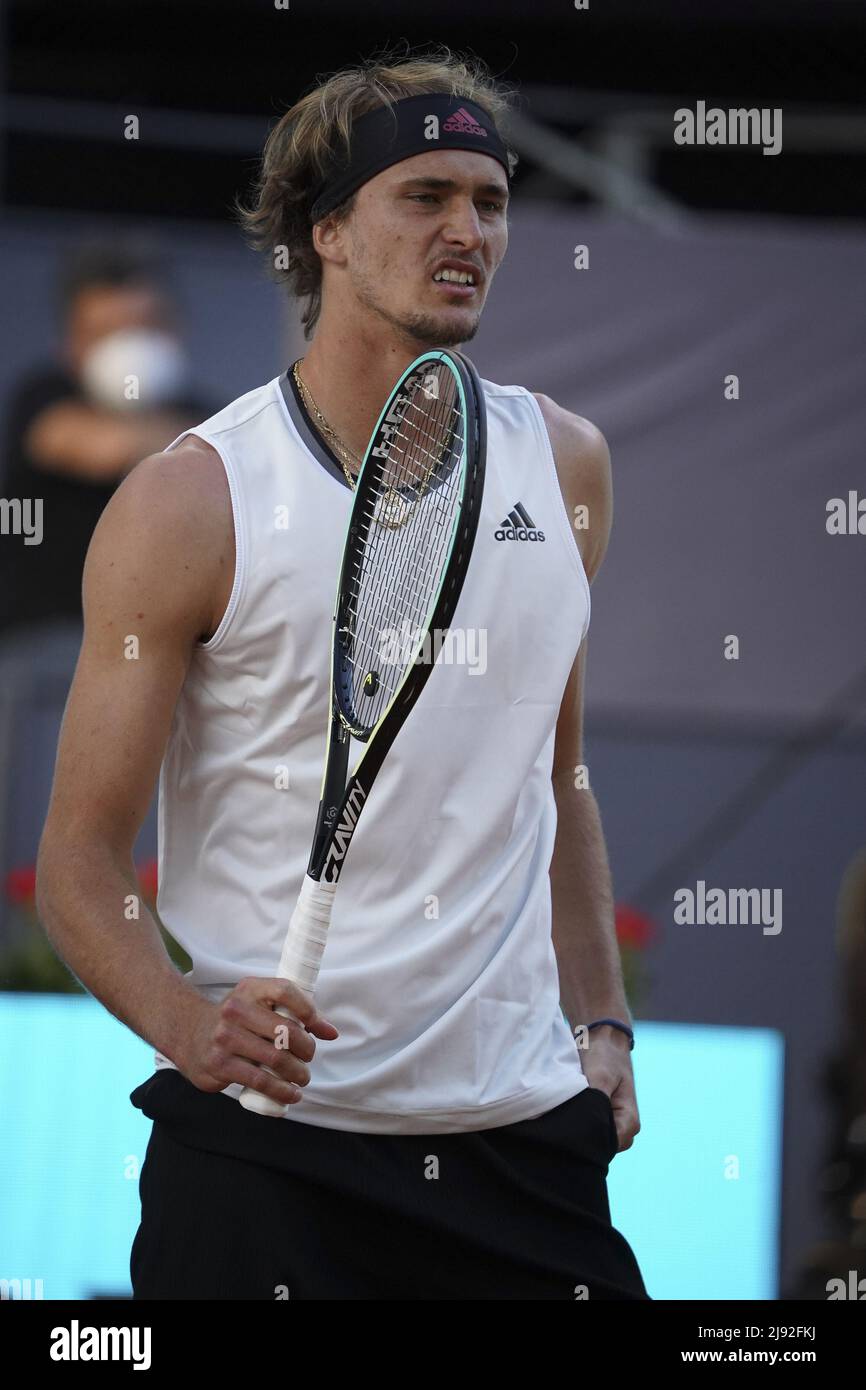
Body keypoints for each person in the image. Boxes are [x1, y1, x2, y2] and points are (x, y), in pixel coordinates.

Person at [36, 48, 649, 1300]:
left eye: (488, 200)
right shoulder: (188, 500)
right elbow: (77, 863)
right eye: (422, 196)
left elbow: (559, 780)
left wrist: (604, 1025)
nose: (467, 229)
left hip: (521, 1143)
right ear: (325, 231)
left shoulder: (567, 463)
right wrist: (187, 1025)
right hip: (265, 1164)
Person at [0, 242, 209, 637]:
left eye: (143, 328)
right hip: (46, 644)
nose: (128, 349)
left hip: (163, 644)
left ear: (175, 330)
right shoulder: (44, 395)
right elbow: (105, 448)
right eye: (106, 333)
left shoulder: (210, 413)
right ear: (70, 344)